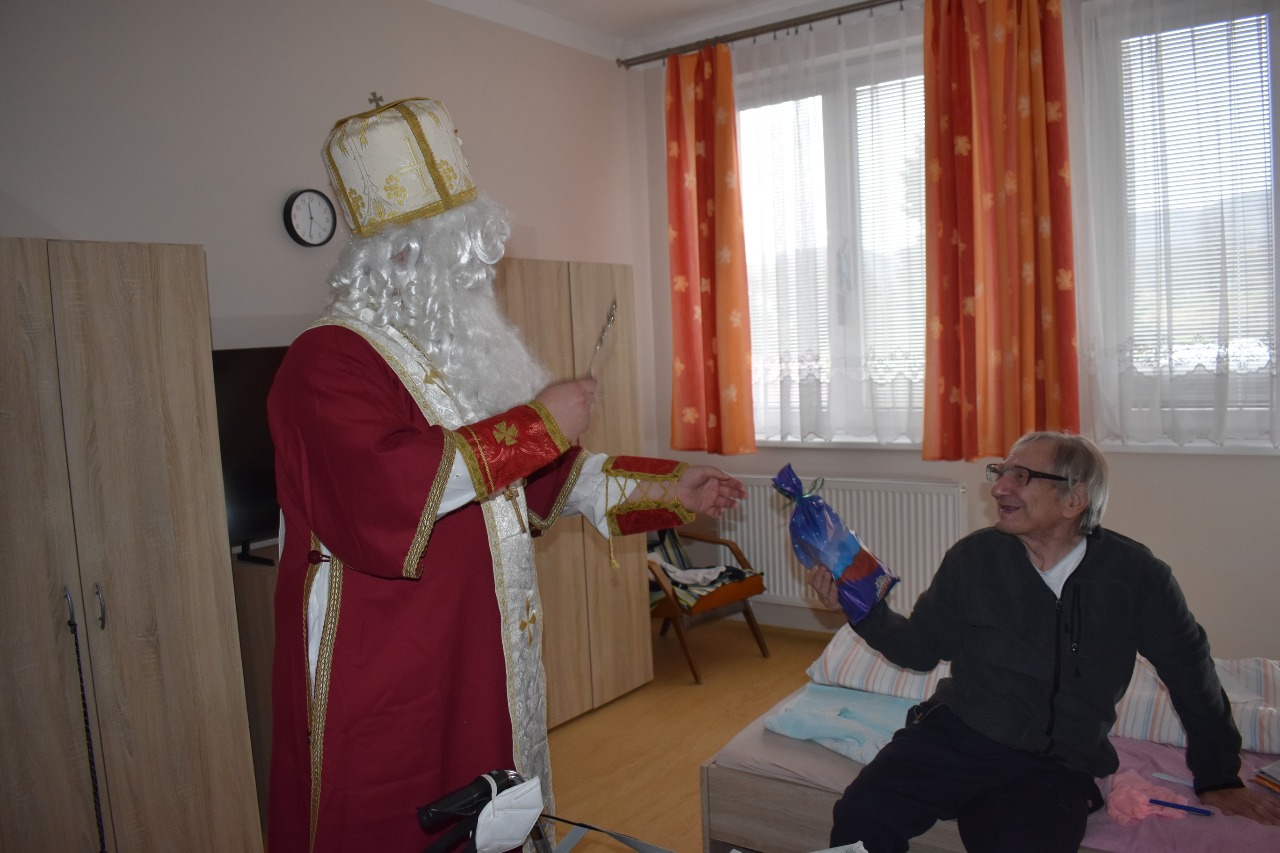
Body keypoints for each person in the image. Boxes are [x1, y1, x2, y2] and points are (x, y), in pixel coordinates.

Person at [266, 97, 746, 853]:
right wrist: (542, 422)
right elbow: (393, 489)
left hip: (477, 650)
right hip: (390, 662)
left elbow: (543, 482)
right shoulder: (326, 360)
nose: (477, 276)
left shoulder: (454, 355)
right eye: (460, 257)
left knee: (491, 806)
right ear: (401, 259)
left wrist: (668, 488)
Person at [806, 431, 1280, 852]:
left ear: (1075, 498)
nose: (999, 488)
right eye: (1001, 472)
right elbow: (921, 649)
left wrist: (1218, 776)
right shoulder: (976, 558)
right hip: (957, 736)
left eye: (1022, 476)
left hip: (1056, 763)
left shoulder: (1137, 578)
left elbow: (1192, 673)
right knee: (861, 817)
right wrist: (861, 608)